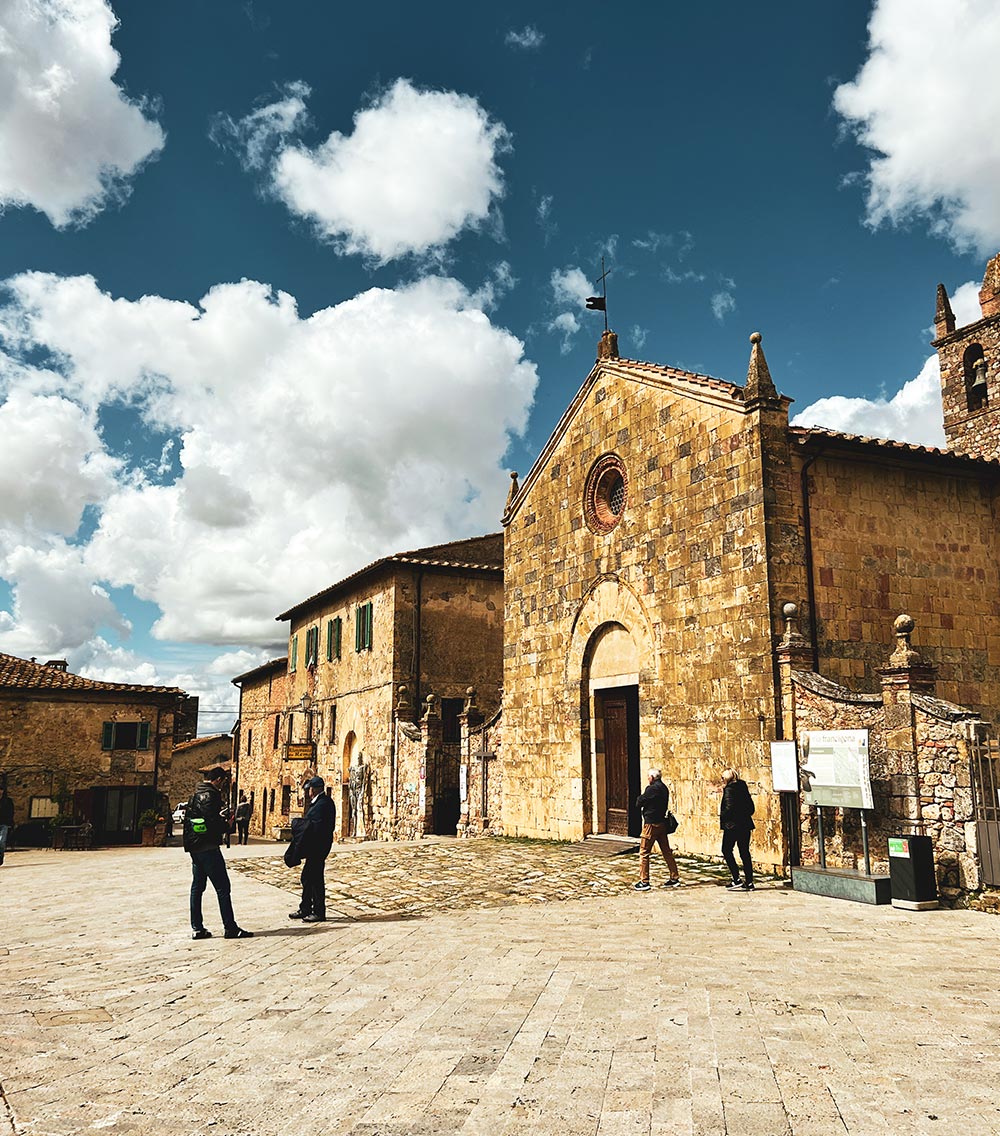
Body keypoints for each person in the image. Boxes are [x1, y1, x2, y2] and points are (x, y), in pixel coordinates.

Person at [184, 767, 253, 940]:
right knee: (223, 887)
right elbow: (212, 823)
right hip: (208, 847)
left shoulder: (195, 794)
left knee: (197, 887)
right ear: (218, 780)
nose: (223, 786)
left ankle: (197, 928)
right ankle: (230, 927)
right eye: (223, 781)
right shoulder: (211, 795)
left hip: (195, 847)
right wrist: (227, 825)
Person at [288, 776, 336, 923]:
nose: (308, 792)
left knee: (315, 879)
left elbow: (316, 826)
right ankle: (306, 907)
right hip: (315, 847)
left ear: (313, 789)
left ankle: (318, 911)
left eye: (309, 789)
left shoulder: (323, 804)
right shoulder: (320, 803)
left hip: (318, 847)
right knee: (307, 877)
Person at [633, 767, 679, 891]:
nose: (648, 778)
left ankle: (644, 881)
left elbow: (639, 802)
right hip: (662, 823)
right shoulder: (664, 788)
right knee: (666, 851)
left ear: (652, 778)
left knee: (644, 852)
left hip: (651, 824)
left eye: (648, 776)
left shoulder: (651, 789)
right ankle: (674, 877)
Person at [720, 768, 755, 892]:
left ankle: (736, 878)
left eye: (723, 778)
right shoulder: (743, 788)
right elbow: (751, 809)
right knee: (744, 852)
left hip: (732, 826)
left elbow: (729, 808)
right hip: (745, 824)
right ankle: (749, 881)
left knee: (726, 850)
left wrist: (724, 816)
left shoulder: (729, 790)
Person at [0, 788, 14, 866]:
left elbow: (11, 812)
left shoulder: (8, 801)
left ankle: (0, 857)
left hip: (4, 824)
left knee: (1, 841)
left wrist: (10, 822)